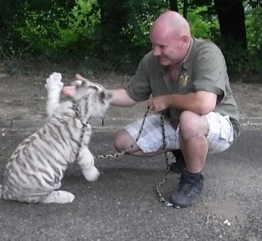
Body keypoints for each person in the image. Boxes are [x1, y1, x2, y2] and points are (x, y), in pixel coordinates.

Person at [63, 10, 241, 208]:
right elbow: (130, 95)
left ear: (184, 40)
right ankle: (184, 154)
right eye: (153, 45)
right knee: (124, 143)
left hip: (218, 124)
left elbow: (204, 104)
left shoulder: (207, 53)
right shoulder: (152, 61)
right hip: (177, 123)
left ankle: (192, 179)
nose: (156, 52)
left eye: (162, 46)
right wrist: (95, 92)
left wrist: (166, 100)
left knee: (189, 120)